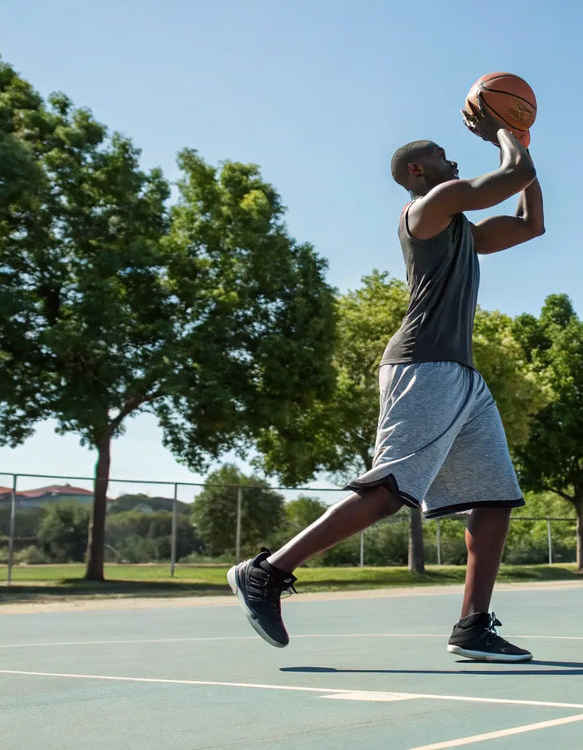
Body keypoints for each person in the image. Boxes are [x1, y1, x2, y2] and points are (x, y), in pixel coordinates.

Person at [227, 99, 544, 663]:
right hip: (423, 368)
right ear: (417, 172)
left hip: (463, 379)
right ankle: (267, 572)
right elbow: (512, 174)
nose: (451, 162)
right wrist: (506, 132)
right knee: (389, 493)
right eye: (441, 156)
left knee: (495, 499)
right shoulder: (430, 206)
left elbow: (530, 223)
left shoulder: (462, 231)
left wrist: (522, 142)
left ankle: (472, 626)